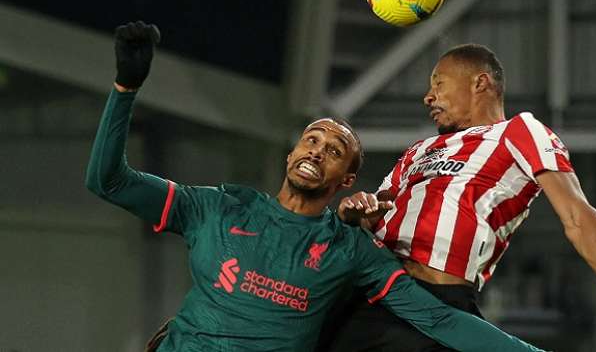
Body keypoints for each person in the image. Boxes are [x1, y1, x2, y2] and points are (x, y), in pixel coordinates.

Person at [85, 23, 548, 351]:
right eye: (311, 139)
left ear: (346, 180)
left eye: (333, 150)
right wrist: (125, 88)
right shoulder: (218, 208)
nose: (316, 151)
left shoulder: (349, 251)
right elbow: (108, 182)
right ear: (290, 154)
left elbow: (440, 319)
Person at [329, 43, 596, 352]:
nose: (428, 97)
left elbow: (577, 214)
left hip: (441, 300)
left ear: (480, 82)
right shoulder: (419, 150)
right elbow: (379, 207)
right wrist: (359, 209)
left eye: (438, 83)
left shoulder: (518, 131)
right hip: (378, 290)